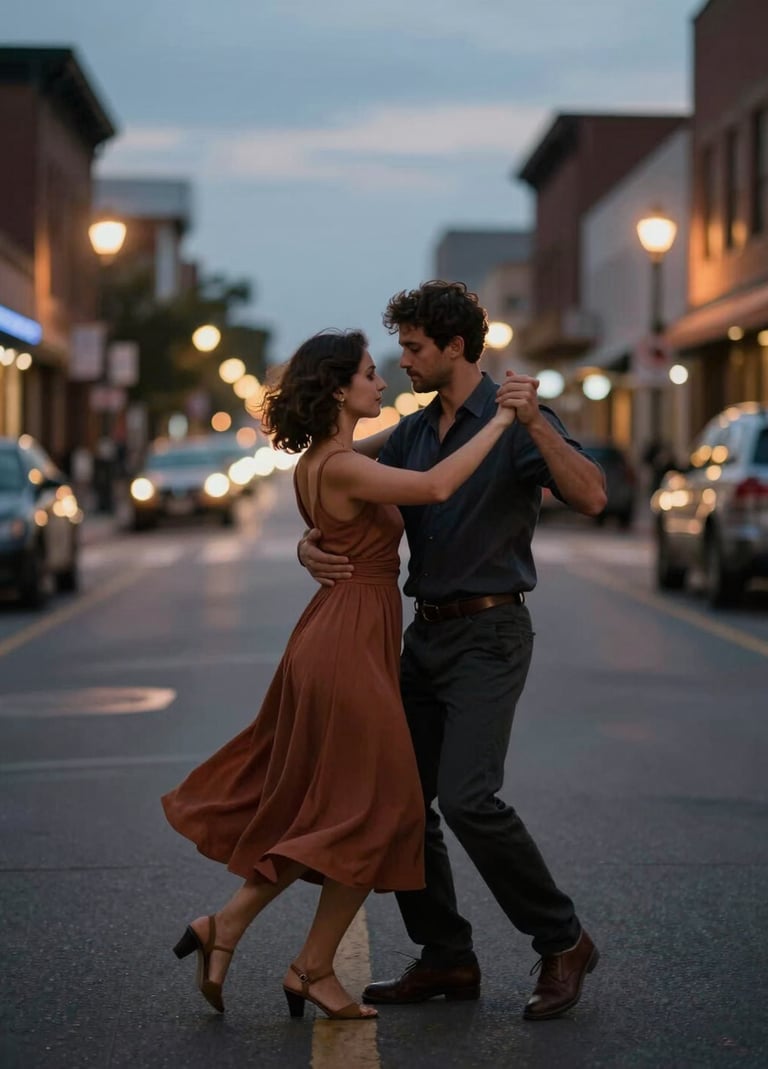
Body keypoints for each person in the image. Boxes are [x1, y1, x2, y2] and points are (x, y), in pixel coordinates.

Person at [161, 327, 517, 1023]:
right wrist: (503, 417)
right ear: (336, 389)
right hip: (346, 645)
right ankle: (304, 962)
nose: (381, 382)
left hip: (342, 635)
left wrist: (304, 544)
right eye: (367, 374)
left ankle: (239, 934)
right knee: (384, 810)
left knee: (347, 810)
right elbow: (438, 483)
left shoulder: (332, 459)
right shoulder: (342, 465)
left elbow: (403, 456)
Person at [299, 282, 608, 1021]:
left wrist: (536, 428)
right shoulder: (411, 431)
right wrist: (312, 536)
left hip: (490, 633)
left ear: (456, 347)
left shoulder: (513, 418)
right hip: (424, 633)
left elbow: (592, 497)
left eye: (413, 348)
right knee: (399, 799)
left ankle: (563, 939)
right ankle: (445, 955)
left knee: (468, 796)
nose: (402, 361)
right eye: (398, 348)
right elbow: (330, 469)